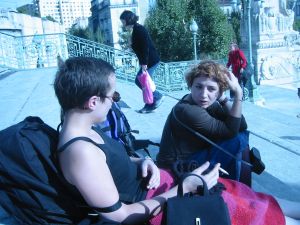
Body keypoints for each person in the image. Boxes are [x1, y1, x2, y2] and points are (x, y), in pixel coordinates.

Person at [54, 57, 300, 225]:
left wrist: (140, 161)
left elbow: (109, 162)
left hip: (164, 184)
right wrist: (186, 188)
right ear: (93, 102)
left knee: (246, 195)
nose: (115, 101)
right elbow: (121, 216)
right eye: (113, 96)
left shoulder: (85, 132)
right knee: (250, 209)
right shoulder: (80, 152)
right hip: (166, 202)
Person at [157, 60, 249, 182]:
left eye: (211, 89)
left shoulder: (204, 103)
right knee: (236, 140)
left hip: (191, 156)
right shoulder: (187, 110)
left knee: (241, 135)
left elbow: (241, 125)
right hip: (175, 167)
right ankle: (235, 187)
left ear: (220, 91)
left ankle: (234, 183)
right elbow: (231, 131)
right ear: (191, 86)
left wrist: (223, 99)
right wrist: (238, 95)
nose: (203, 95)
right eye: (198, 87)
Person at [120, 10, 163, 113]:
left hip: (150, 61)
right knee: (143, 82)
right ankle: (150, 103)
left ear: (127, 20)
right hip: (148, 61)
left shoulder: (139, 29)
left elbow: (145, 48)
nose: (122, 23)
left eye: (123, 21)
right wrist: (131, 44)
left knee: (142, 81)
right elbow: (139, 47)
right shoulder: (136, 30)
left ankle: (156, 97)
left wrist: (144, 64)